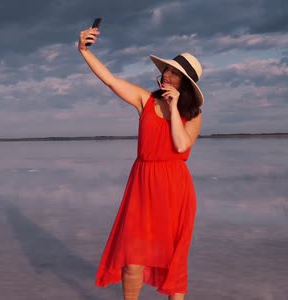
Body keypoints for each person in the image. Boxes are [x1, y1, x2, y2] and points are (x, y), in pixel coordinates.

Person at [78, 25, 203, 300]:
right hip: (142, 185)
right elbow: (110, 80)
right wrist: (84, 51)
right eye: (166, 71)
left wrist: (173, 109)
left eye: (173, 74)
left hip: (175, 190)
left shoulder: (192, 115)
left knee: (174, 262)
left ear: (186, 84)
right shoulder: (144, 100)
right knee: (132, 262)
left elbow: (182, 145)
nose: (166, 76)